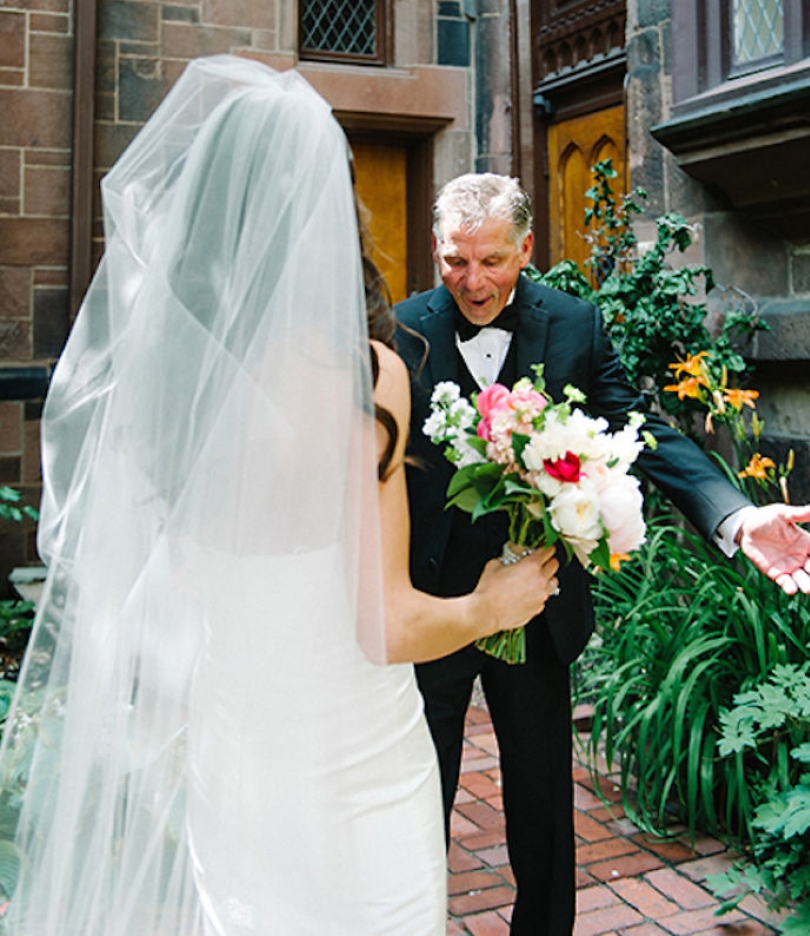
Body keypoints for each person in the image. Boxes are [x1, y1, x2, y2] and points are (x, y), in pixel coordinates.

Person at [0, 58, 559, 936]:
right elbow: (384, 626)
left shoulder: (165, 384)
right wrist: (496, 601)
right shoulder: (357, 376)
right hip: (352, 760)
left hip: (234, 755)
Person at [393, 171, 810, 936]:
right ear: (435, 249)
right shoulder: (401, 332)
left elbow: (642, 431)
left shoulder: (575, 324)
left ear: (526, 247)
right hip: (432, 608)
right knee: (413, 807)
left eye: (492, 259)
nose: (474, 280)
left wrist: (733, 513)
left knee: (541, 809)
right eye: (456, 261)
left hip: (538, 608)